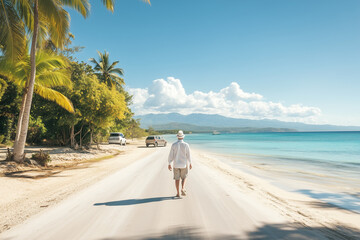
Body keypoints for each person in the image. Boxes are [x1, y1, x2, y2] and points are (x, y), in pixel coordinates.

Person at [168, 130, 192, 198]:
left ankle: (178, 193)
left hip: (176, 165)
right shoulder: (186, 145)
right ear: (183, 137)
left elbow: (171, 155)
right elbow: (188, 155)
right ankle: (183, 188)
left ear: (177, 137)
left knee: (177, 179)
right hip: (184, 164)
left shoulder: (173, 145)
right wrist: (190, 163)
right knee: (184, 177)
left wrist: (169, 163)